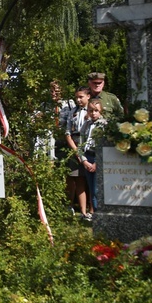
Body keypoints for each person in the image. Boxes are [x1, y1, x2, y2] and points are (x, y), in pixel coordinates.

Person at [65, 86, 91, 217]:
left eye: (81, 97)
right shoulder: (72, 112)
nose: (78, 100)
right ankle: (78, 210)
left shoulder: (94, 110)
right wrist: (76, 151)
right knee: (76, 178)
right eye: (76, 97)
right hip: (75, 145)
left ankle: (90, 211)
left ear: (88, 96)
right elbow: (68, 133)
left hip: (89, 145)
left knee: (90, 180)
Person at [78, 99, 107, 217]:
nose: (94, 113)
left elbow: (106, 145)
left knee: (97, 189)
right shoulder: (86, 125)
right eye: (91, 111)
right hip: (88, 156)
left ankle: (102, 215)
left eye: (96, 111)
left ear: (101, 111)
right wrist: (84, 160)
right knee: (92, 190)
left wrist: (97, 163)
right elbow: (80, 144)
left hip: (99, 157)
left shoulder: (105, 125)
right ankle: (97, 215)